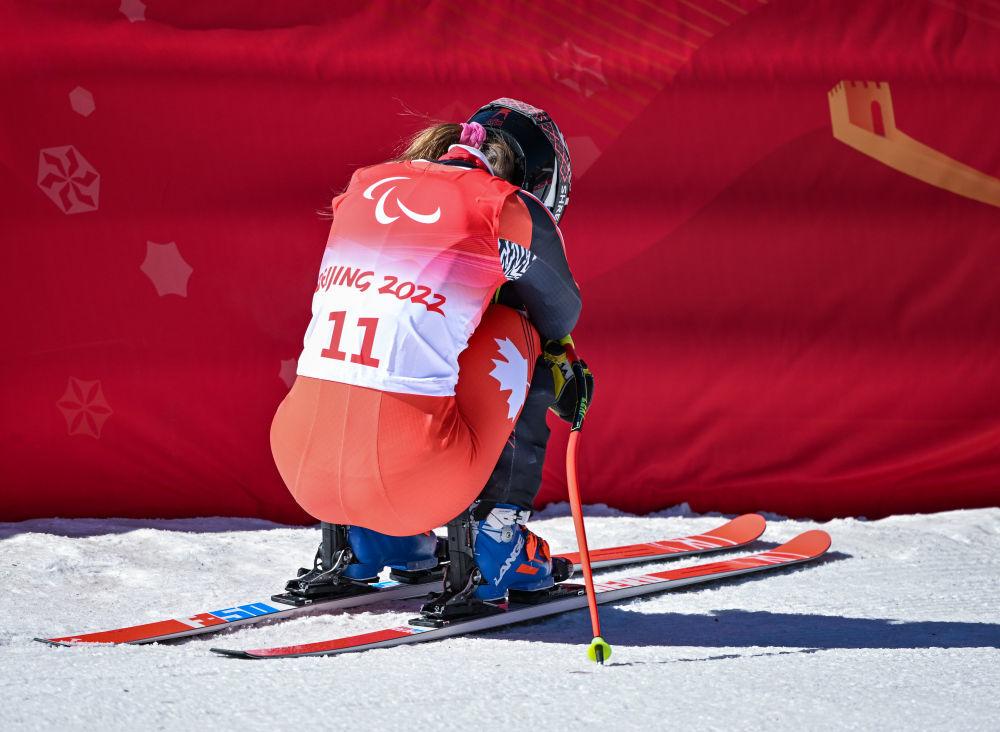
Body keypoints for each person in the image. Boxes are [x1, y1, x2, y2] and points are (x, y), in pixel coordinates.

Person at [269, 98, 593, 618]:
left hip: (303, 469)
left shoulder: (365, 182)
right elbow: (560, 313)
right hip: (418, 478)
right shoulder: (507, 206)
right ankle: (496, 547)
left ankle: (367, 542)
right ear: (536, 176)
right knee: (523, 329)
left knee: (412, 329)